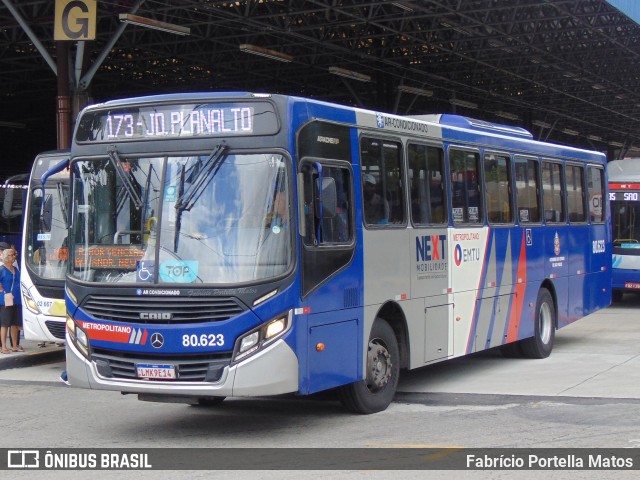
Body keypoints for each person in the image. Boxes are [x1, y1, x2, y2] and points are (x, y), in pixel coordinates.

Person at [0, 247, 23, 353]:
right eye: (12, 255)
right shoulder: (2, 269)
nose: (14, 257)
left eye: (14, 255)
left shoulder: (15, 269)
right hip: (6, 300)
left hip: (17, 299)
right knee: (5, 324)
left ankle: (15, 345)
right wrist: (3, 291)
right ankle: (3, 346)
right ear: (6, 257)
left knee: (15, 324)